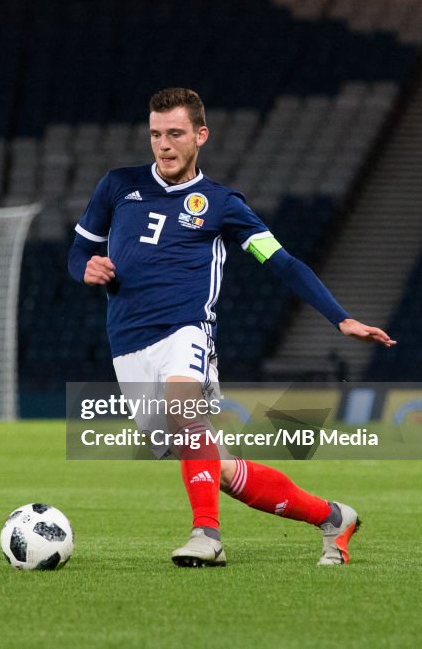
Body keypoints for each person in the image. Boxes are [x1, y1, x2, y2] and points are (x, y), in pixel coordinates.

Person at [68, 87, 396, 567]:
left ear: (201, 135)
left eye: (176, 133)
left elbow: (281, 262)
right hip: (127, 344)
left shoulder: (220, 203)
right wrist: (86, 269)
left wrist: (339, 317)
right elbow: (80, 250)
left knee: (186, 412)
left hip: (187, 331)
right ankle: (332, 517)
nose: (164, 144)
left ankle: (207, 536)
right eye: (156, 134)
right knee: (216, 469)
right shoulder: (118, 185)